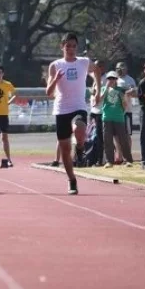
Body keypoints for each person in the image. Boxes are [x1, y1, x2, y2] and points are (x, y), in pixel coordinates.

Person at [46, 32, 101, 195]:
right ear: (62, 46)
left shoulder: (84, 62)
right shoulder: (55, 65)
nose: (71, 49)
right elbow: (49, 92)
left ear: (77, 47)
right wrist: (55, 79)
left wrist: (97, 89)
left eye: (74, 46)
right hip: (61, 108)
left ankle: (81, 147)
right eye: (68, 46)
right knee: (64, 149)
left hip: (78, 106)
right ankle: (71, 180)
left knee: (79, 127)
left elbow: (97, 71)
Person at [99, 71, 134, 167]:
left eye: (113, 78)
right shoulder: (103, 89)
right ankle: (109, 161)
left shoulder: (121, 90)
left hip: (119, 118)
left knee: (123, 139)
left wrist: (123, 99)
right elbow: (100, 100)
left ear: (116, 80)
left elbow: (125, 104)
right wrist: (106, 87)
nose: (111, 80)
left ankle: (128, 160)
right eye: (109, 78)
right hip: (107, 117)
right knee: (107, 140)